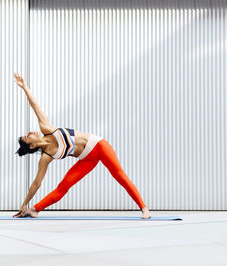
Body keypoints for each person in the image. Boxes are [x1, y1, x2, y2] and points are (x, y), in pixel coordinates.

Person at [12, 73, 151, 219]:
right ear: (32, 145)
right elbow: (36, 183)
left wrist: (24, 87)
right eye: (27, 137)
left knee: (119, 175)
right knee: (63, 187)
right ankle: (34, 210)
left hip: (98, 145)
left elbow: (35, 105)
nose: (29, 132)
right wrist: (24, 204)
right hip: (87, 159)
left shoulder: (46, 128)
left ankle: (144, 208)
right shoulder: (46, 157)